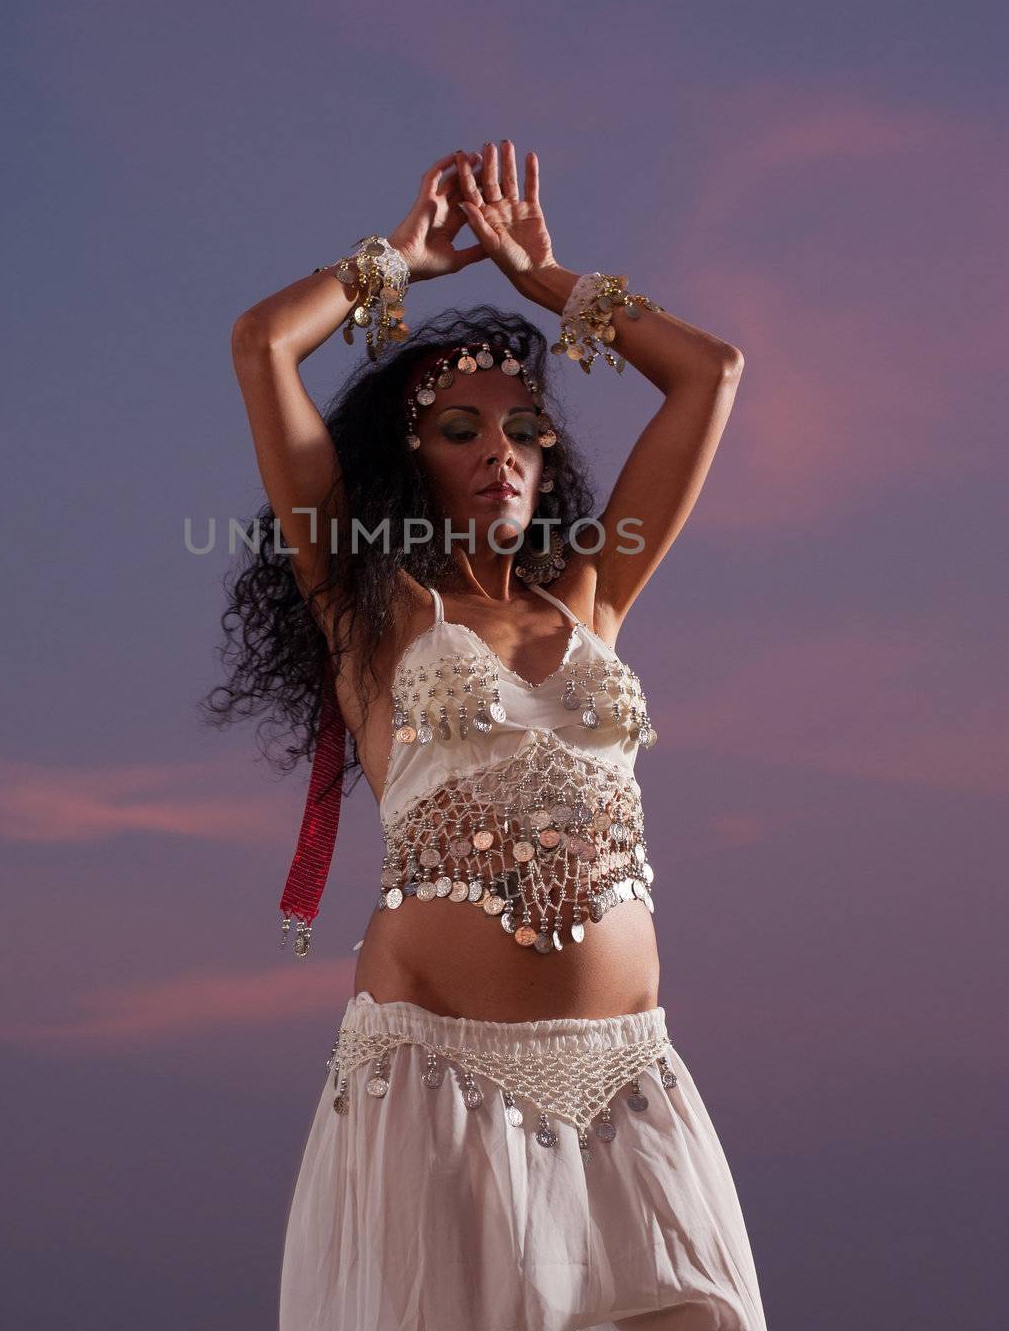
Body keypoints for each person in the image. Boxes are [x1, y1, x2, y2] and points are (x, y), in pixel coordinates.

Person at [212, 140, 768, 1328]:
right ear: (410, 457)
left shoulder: (594, 600)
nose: (499, 452)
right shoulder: (371, 609)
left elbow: (711, 374)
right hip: (440, 1095)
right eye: (460, 427)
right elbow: (265, 345)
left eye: (522, 430)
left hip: (632, 1091)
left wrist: (549, 281)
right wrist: (396, 261)